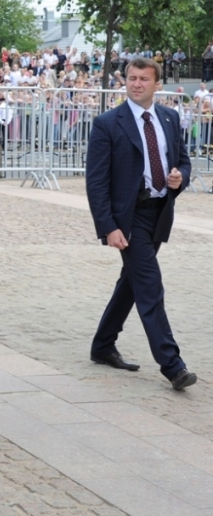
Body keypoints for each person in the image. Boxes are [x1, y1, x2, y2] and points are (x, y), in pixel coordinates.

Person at [86, 57, 196, 391]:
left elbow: (183, 161)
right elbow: (96, 181)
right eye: (131, 78)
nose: (136, 84)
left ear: (156, 84)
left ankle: (103, 345)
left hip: (159, 213)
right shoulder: (108, 123)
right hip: (128, 216)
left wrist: (180, 177)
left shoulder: (169, 117)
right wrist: (108, 226)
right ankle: (172, 365)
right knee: (149, 284)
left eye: (143, 79)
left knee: (132, 282)